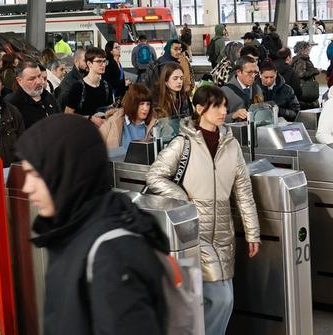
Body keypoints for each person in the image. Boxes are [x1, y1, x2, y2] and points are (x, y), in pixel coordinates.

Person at [20, 114, 171, 333]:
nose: (27, 187)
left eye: (35, 174)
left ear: (65, 172)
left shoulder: (111, 254)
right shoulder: (72, 230)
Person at [146, 85, 260, 335]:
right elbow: (155, 175)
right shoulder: (183, 142)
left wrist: (253, 233)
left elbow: (243, 193)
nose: (223, 111)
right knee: (220, 300)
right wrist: (183, 199)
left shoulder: (231, 144)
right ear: (199, 109)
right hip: (195, 231)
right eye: (216, 106)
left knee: (223, 300)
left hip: (223, 234)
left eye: (224, 106)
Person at [5, 60, 61, 129]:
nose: (38, 81)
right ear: (19, 80)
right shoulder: (12, 104)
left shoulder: (49, 97)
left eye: (39, 76)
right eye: (32, 79)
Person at [98, 84, 156, 150]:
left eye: (148, 104)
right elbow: (95, 147)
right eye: (141, 104)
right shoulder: (112, 122)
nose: (145, 108)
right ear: (132, 103)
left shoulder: (156, 125)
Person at [63, 48, 113, 124]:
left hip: (102, 131)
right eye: (99, 61)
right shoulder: (78, 87)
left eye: (104, 61)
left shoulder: (106, 86)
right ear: (89, 64)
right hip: (83, 131)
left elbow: (110, 110)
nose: (103, 64)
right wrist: (90, 118)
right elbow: (67, 115)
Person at [223, 56, 263, 122]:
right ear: (239, 72)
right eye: (249, 72)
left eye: (255, 72)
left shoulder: (257, 88)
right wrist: (233, 115)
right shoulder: (225, 91)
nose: (253, 76)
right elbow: (216, 118)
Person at [291, 41, 321, 109]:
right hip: (305, 88)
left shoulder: (299, 59)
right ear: (302, 49)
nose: (308, 50)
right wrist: (314, 71)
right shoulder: (301, 60)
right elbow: (300, 74)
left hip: (303, 88)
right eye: (307, 48)